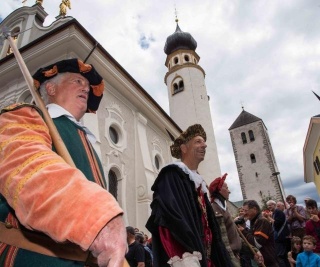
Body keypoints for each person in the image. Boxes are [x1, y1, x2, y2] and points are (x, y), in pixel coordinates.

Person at [0, 58, 127, 266]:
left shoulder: (87, 141)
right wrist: (95, 215)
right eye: (77, 81)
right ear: (50, 87)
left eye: (87, 86)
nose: (85, 88)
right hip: (32, 258)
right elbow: (28, 169)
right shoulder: (24, 116)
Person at [146, 124, 233, 267]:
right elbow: (170, 220)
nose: (204, 145)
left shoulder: (198, 183)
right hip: (188, 257)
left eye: (204, 142)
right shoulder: (172, 176)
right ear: (184, 148)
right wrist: (186, 257)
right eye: (198, 141)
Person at [209, 174, 242, 267]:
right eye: (226, 188)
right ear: (219, 190)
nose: (229, 191)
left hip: (234, 255)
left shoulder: (223, 208)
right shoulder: (216, 210)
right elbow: (223, 241)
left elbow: (233, 233)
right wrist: (232, 261)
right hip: (228, 259)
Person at [239, 199, 279, 267]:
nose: (244, 213)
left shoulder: (262, 221)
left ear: (254, 209)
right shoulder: (254, 221)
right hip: (262, 260)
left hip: (268, 261)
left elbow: (257, 243)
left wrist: (243, 231)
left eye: (246, 210)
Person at [264, 200, 290, 267]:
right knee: (283, 255)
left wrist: (268, 217)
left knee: (280, 256)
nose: (269, 207)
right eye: (268, 205)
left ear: (274, 205)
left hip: (280, 237)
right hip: (279, 237)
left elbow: (277, 223)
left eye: (270, 205)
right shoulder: (274, 213)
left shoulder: (278, 212)